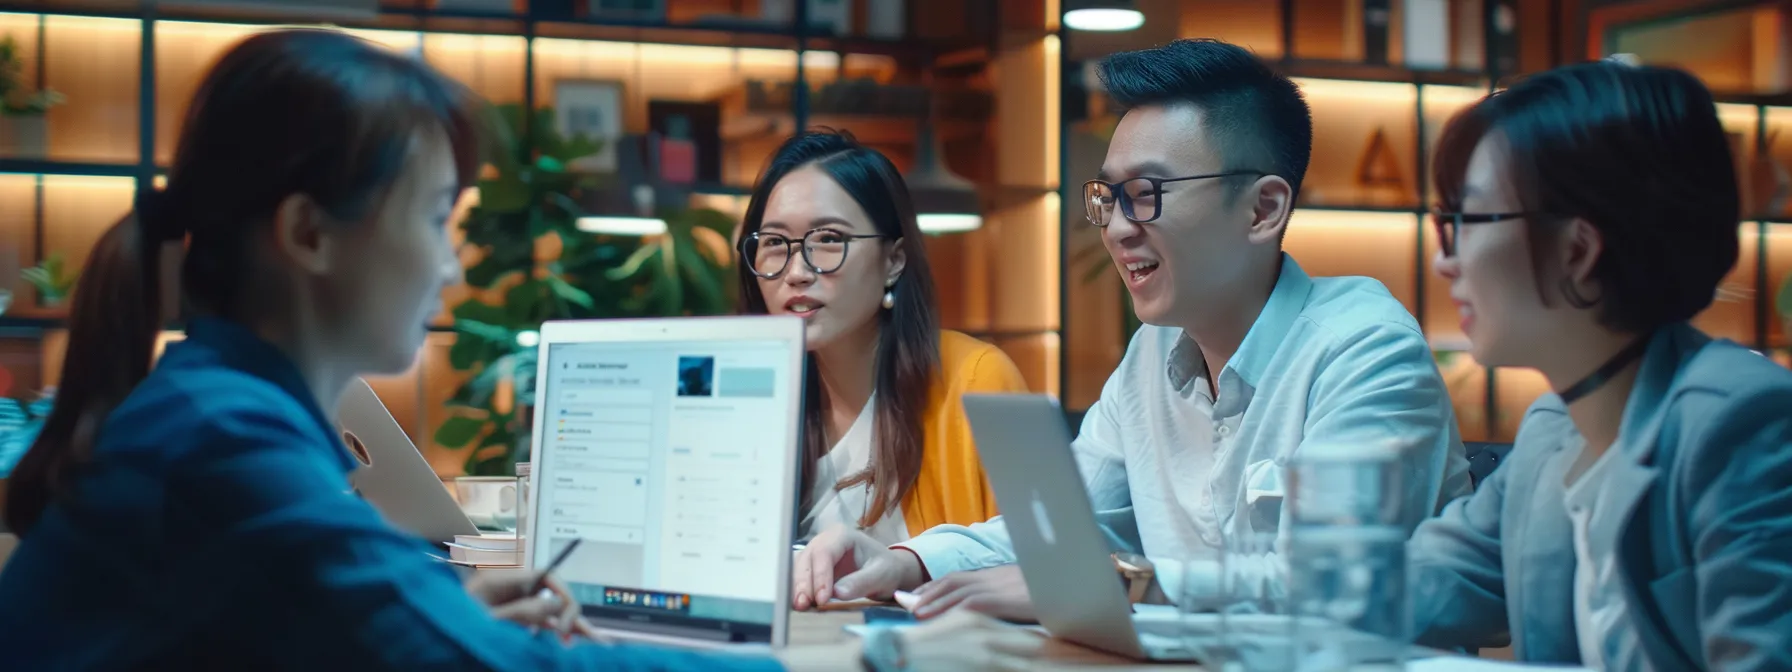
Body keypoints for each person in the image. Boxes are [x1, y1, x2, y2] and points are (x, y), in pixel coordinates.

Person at [0, 29, 1038, 671]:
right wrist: (878, 667)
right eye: (436, 215)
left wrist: (433, 604)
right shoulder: (227, 440)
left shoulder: (219, 413)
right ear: (310, 235)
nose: (451, 264)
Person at [792, 38, 1473, 619]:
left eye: (1146, 194)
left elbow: (1324, 592)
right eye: (1109, 197)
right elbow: (1057, 530)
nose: (1117, 228)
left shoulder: (1364, 349)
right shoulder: (1152, 355)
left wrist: (1118, 585)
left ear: (1264, 209)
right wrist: (903, 560)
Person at [1407, 59, 1792, 669]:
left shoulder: (1741, 422)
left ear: (1579, 249)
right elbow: (1422, 584)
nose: (1444, 263)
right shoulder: (1553, 429)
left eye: (1466, 222)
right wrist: (1217, 591)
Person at [738, 130, 1030, 548]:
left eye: (828, 240)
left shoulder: (977, 381)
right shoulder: (752, 402)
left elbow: (1033, 566)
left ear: (893, 260)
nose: (796, 271)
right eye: (774, 243)